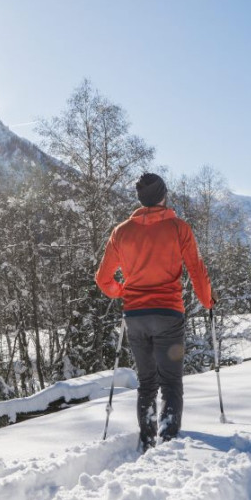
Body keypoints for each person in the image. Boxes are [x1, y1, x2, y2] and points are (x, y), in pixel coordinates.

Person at [96, 172, 214, 451]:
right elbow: (196, 270)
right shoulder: (178, 228)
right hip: (168, 314)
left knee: (147, 382)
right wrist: (208, 300)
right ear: (164, 196)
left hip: (135, 316)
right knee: (171, 380)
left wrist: (122, 291)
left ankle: (148, 441)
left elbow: (103, 279)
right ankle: (169, 438)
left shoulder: (121, 231)